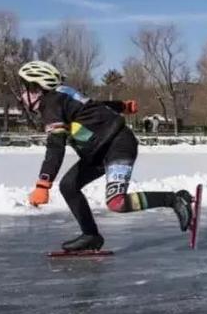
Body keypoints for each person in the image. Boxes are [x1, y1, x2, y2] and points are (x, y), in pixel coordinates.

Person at [18, 61, 194, 252]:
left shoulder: (51, 103)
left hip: (118, 145)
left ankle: (174, 199)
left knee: (117, 203)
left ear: (38, 88)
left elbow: (55, 146)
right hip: (98, 151)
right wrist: (121, 105)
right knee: (69, 185)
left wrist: (43, 184)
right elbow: (95, 105)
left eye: (26, 89)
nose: (23, 96)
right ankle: (90, 235)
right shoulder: (64, 96)